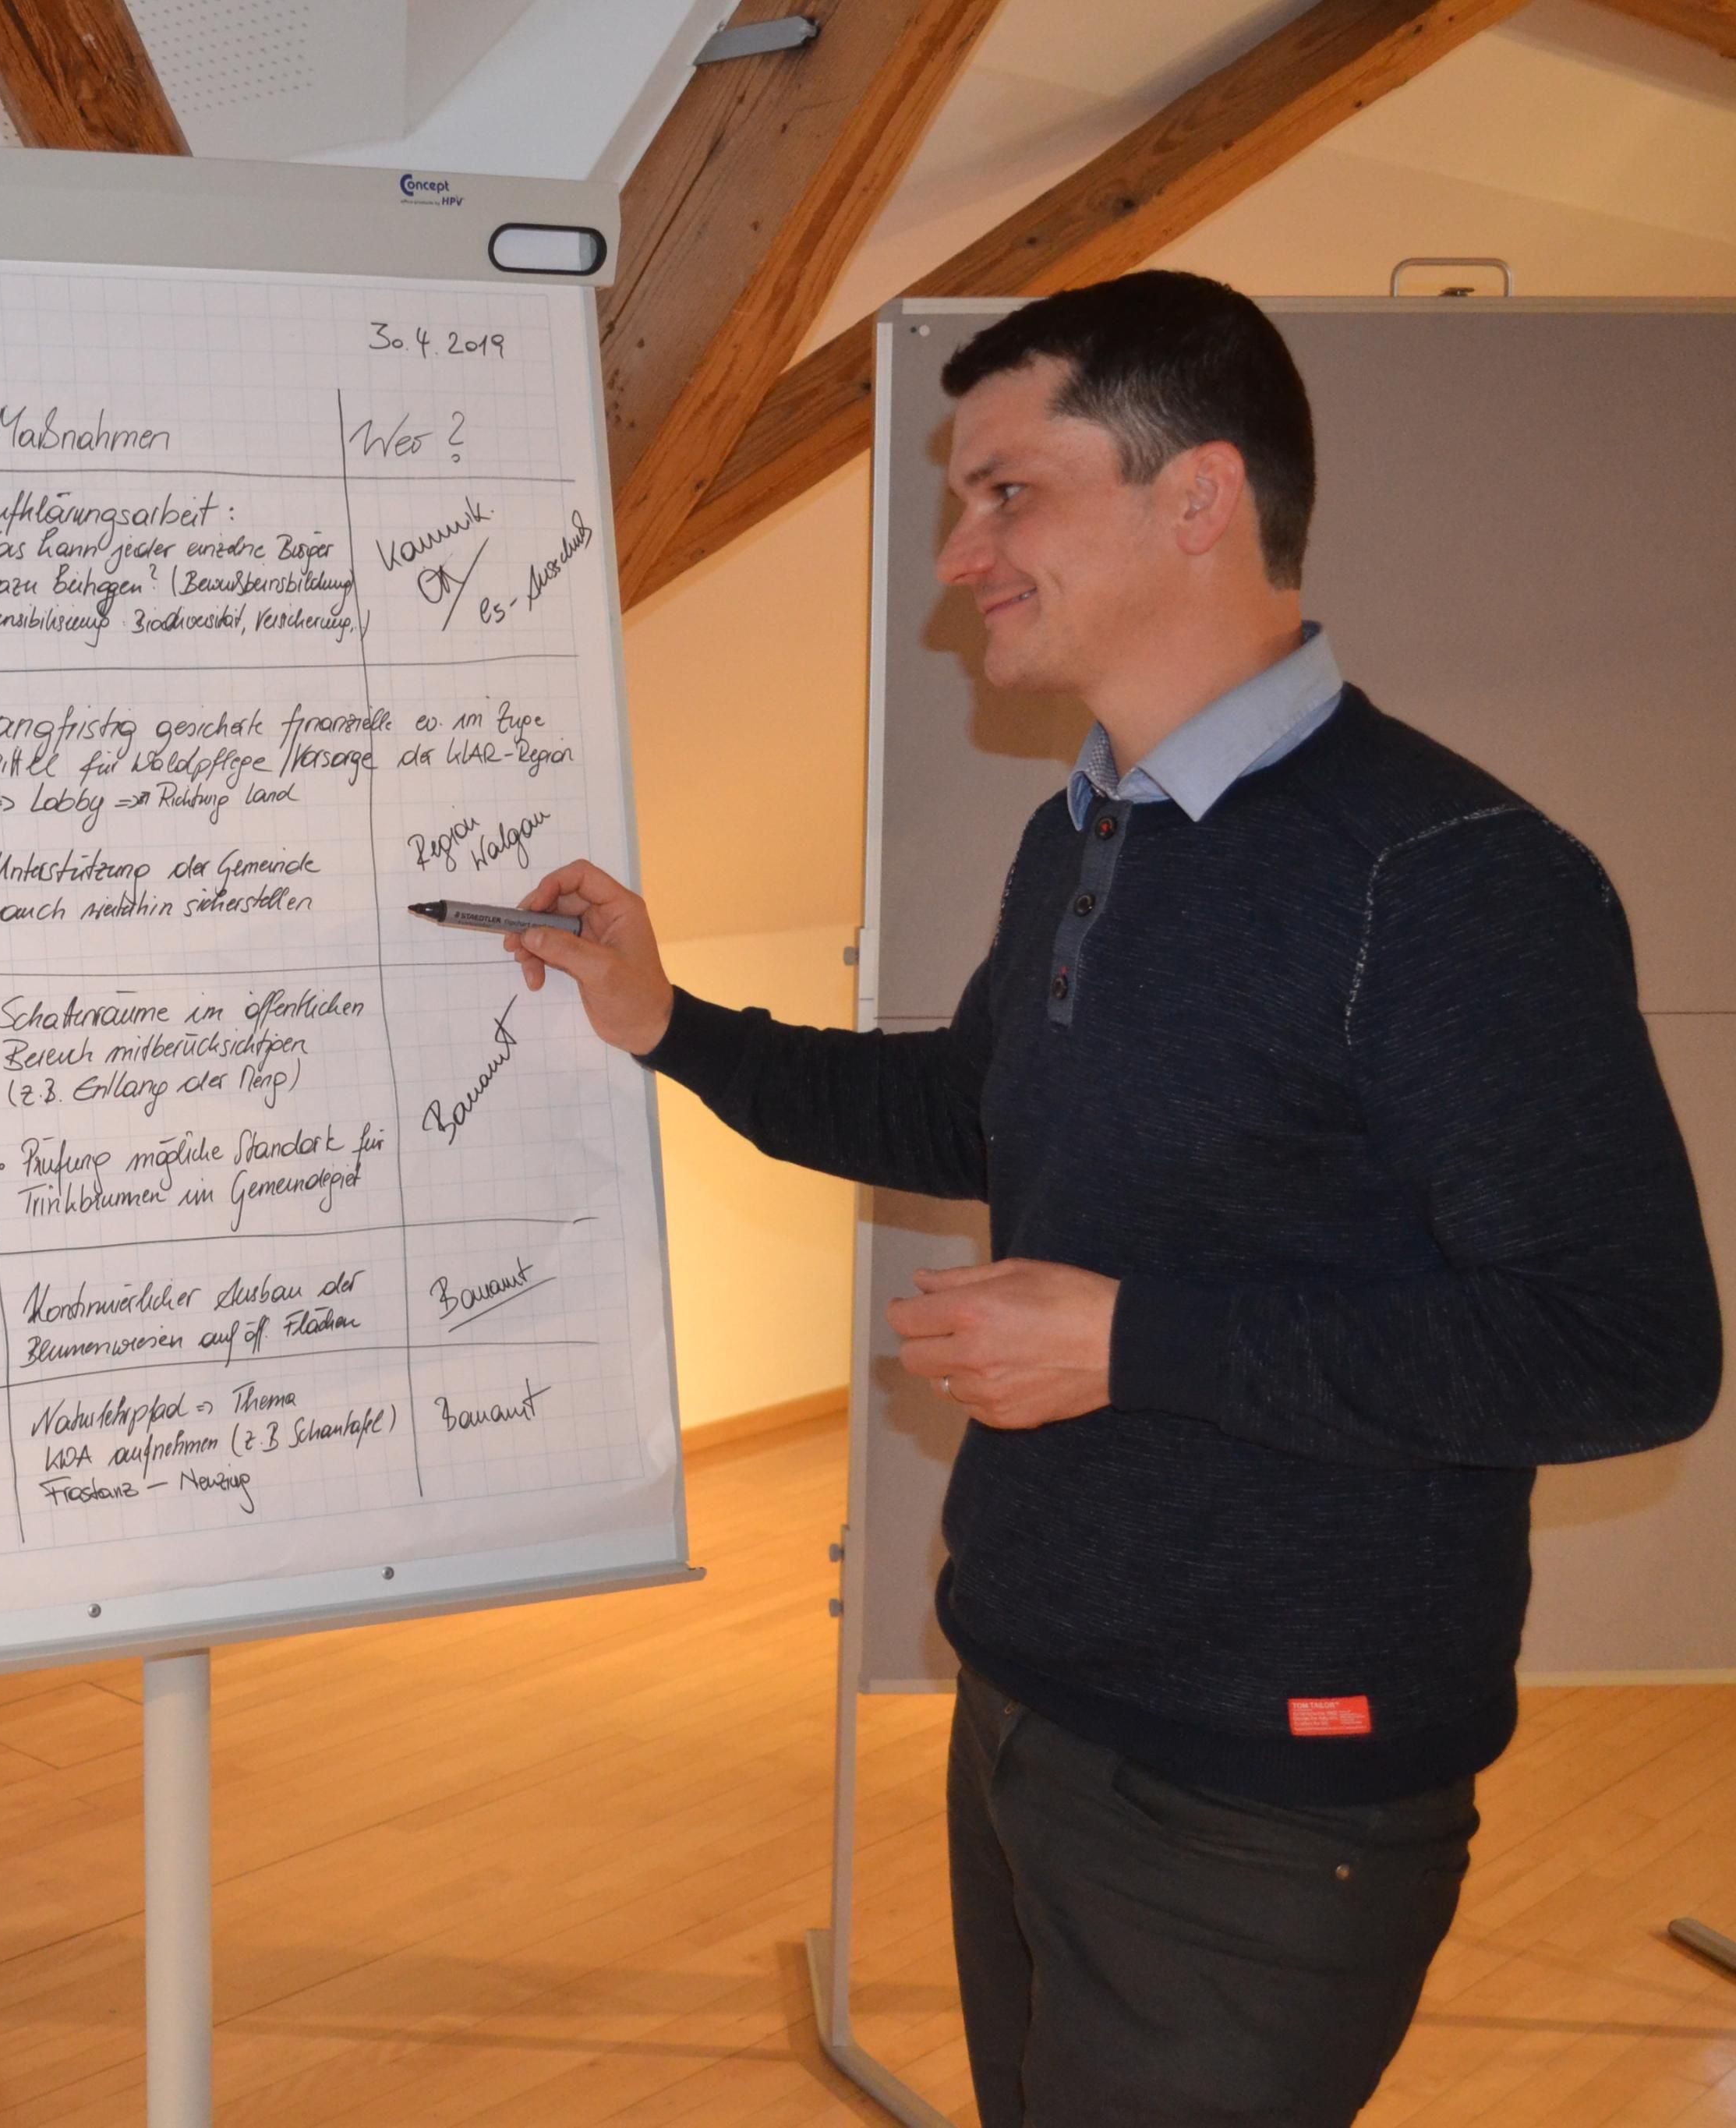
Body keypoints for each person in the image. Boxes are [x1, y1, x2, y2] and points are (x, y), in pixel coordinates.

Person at [504, 270, 1719, 2126]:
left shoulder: (1447, 878)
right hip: (1029, 1699)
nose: (955, 559)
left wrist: (1132, 1343)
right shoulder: (1081, 831)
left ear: (1196, 496)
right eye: (959, 502)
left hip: (1264, 1785)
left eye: (1008, 494)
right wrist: (667, 1023)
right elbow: (964, 1112)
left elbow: (1622, 1348)